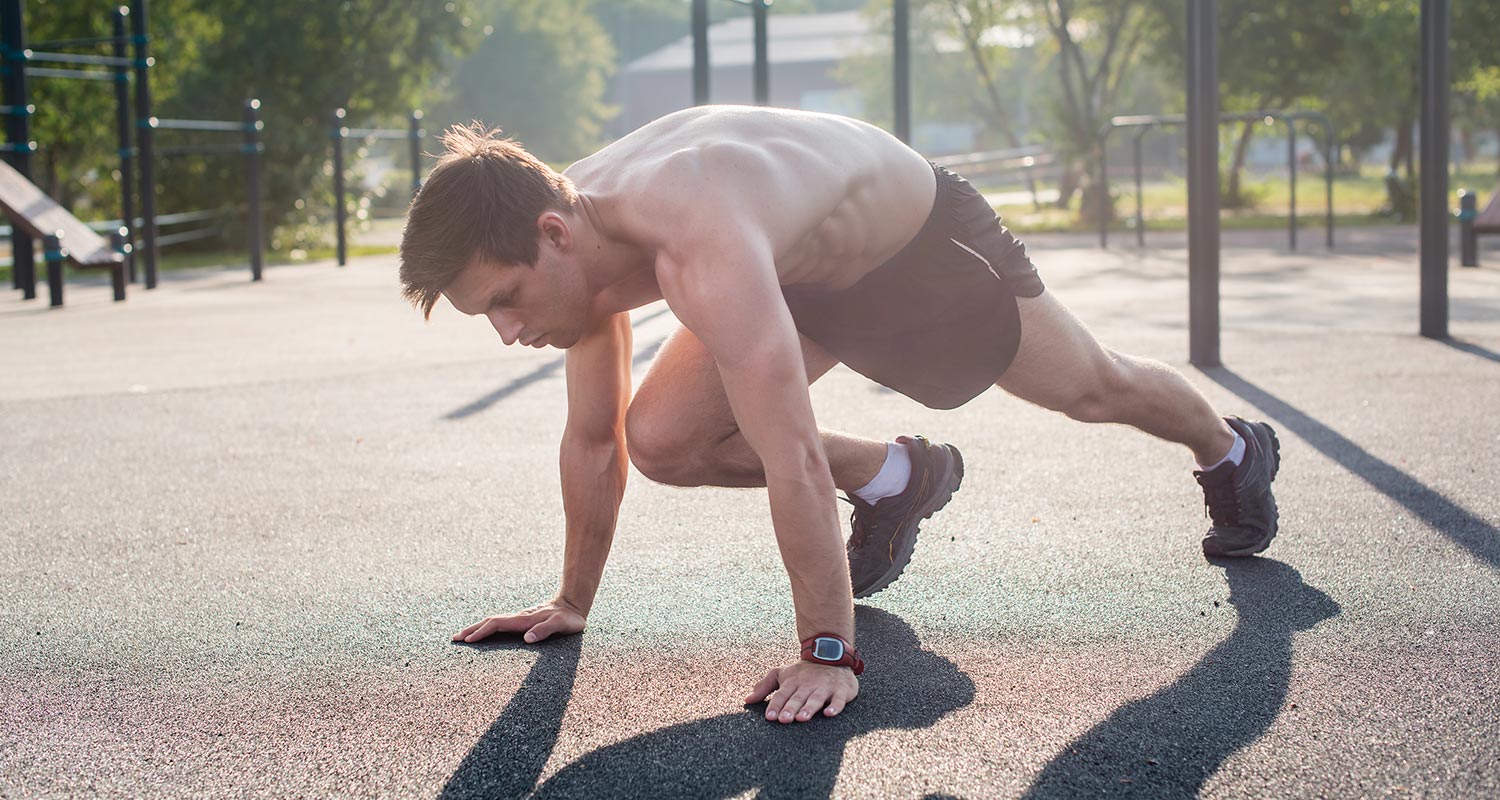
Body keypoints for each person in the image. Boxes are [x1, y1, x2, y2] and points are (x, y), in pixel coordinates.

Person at [397, 105, 1281, 726]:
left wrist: (827, 650)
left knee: (1095, 386)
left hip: (915, 248)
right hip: (796, 270)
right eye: (491, 316)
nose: (509, 332)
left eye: (507, 300)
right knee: (662, 439)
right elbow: (595, 440)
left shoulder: (691, 229)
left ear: (552, 233)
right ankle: (903, 478)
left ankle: (1229, 450)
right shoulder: (572, 237)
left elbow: (793, 460)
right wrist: (570, 602)